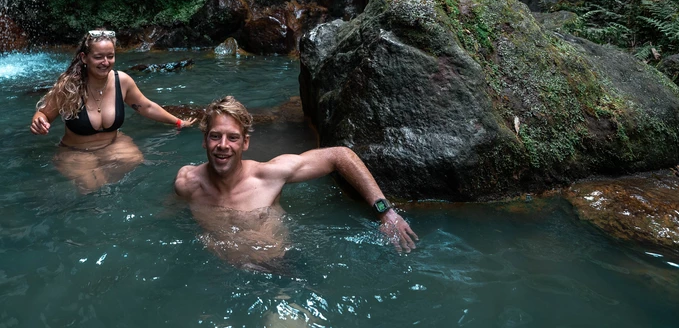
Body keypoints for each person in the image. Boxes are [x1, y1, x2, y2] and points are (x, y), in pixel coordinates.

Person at [174, 96, 418, 270]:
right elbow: (171, 215)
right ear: (204, 141)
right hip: (223, 275)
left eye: (233, 138)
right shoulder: (187, 183)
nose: (223, 145)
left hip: (281, 269)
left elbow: (339, 155)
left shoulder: (269, 175)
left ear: (245, 143)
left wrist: (385, 212)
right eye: (215, 136)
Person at [31, 29, 196, 192]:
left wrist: (178, 122)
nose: (105, 62)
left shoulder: (122, 81)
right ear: (84, 58)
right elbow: (44, 113)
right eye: (98, 57)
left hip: (113, 144)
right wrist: (39, 121)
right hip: (76, 151)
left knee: (135, 161)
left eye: (110, 56)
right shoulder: (69, 85)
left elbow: (146, 106)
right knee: (91, 188)